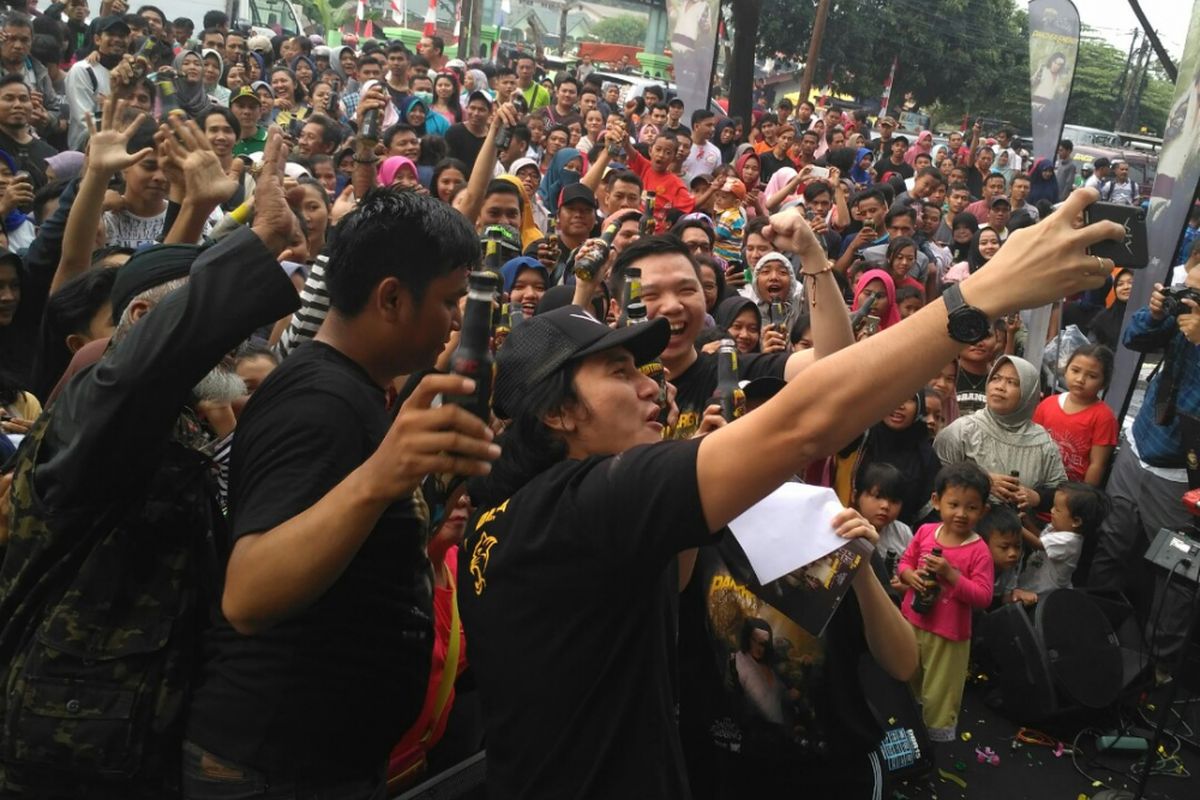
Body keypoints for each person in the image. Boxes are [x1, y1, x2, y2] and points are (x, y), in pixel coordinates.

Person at [0, 122, 302, 798]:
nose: (223, 351)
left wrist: (200, 214)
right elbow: (150, 348)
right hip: (68, 750)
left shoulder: (181, 423)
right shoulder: (94, 403)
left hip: (137, 737)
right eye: (205, 336)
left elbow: (161, 307)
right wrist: (257, 244)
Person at [184, 189, 497, 797]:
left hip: (320, 760)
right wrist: (378, 478)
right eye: (448, 301)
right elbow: (248, 594)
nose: (457, 320)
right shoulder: (319, 404)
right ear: (391, 298)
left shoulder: (351, 392)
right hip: (274, 767)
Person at [1087, 261, 1200, 676]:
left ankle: (1159, 667)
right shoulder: (1184, 307)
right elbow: (1133, 339)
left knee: (1175, 579)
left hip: (1182, 478)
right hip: (1137, 450)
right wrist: (1155, 312)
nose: (1192, 300)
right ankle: (1089, 626)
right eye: (1190, 288)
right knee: (1111, 544)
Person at [896, 462, 995, 741]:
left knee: (939, 690)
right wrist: (909, 576)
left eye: (971, 507)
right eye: (954, 504)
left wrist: (951, 575)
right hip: (912, 621)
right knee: (907, 676)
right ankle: (907, 728)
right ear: (936, 501)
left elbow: (984, 597)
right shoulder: (926, 532)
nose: (961, 514)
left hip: (948, 636)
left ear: (984, 510)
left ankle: (931, 741)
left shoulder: (979, 551)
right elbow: (905, 562)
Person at [935, 355, 1067, 513]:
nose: (1000, 387)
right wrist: (982, 481)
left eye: (1012, 382)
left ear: (1028, 393)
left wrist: (1036, 497)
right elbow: (936, 479)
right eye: (996, 378)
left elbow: (1062, 492)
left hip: (1018, 531)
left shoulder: (1043, 443)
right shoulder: (962, 431)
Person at [1033, 343, 1117, 485]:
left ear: (1104, 382)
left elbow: (1097, 465)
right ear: (1066, 371)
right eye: (1075, 370)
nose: (1080, 379)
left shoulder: (1104, 417)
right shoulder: (1048, 404)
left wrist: (1082, 498)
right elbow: (1032, 444)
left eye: (1092, 376)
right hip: (1038, 481)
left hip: (1072, 491)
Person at [1015, 483, 1108, 599]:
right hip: (1034, 583)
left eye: (1057, 509)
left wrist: (1017, 526)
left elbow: (1039, 544)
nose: (1051, 511)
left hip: (1046, 593)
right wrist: (1027, 522)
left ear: (1076, 521)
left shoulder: (1069, 541)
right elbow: (1041, 538)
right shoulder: (1058, 528)